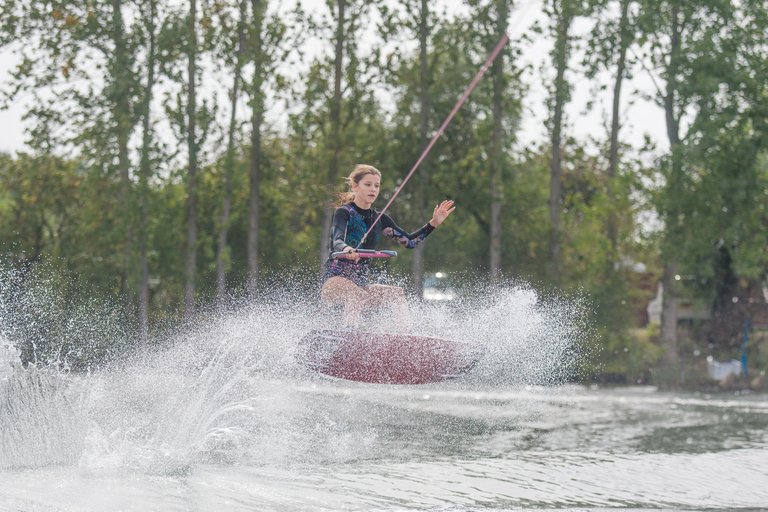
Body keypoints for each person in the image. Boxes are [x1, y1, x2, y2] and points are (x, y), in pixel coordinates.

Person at [321, 164, 455, 327]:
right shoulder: (344, 212)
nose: (373, 189)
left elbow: (410, 242)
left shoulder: (381, 219)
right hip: (334, 281)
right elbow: (337, 240)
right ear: (355, 186)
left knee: (396, 294)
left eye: (377, 185)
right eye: (368, 184)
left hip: (361, 285)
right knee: (356, 294)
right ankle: (349, 333)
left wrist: (433, 223)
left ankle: (405, 339)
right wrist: (346, 249)